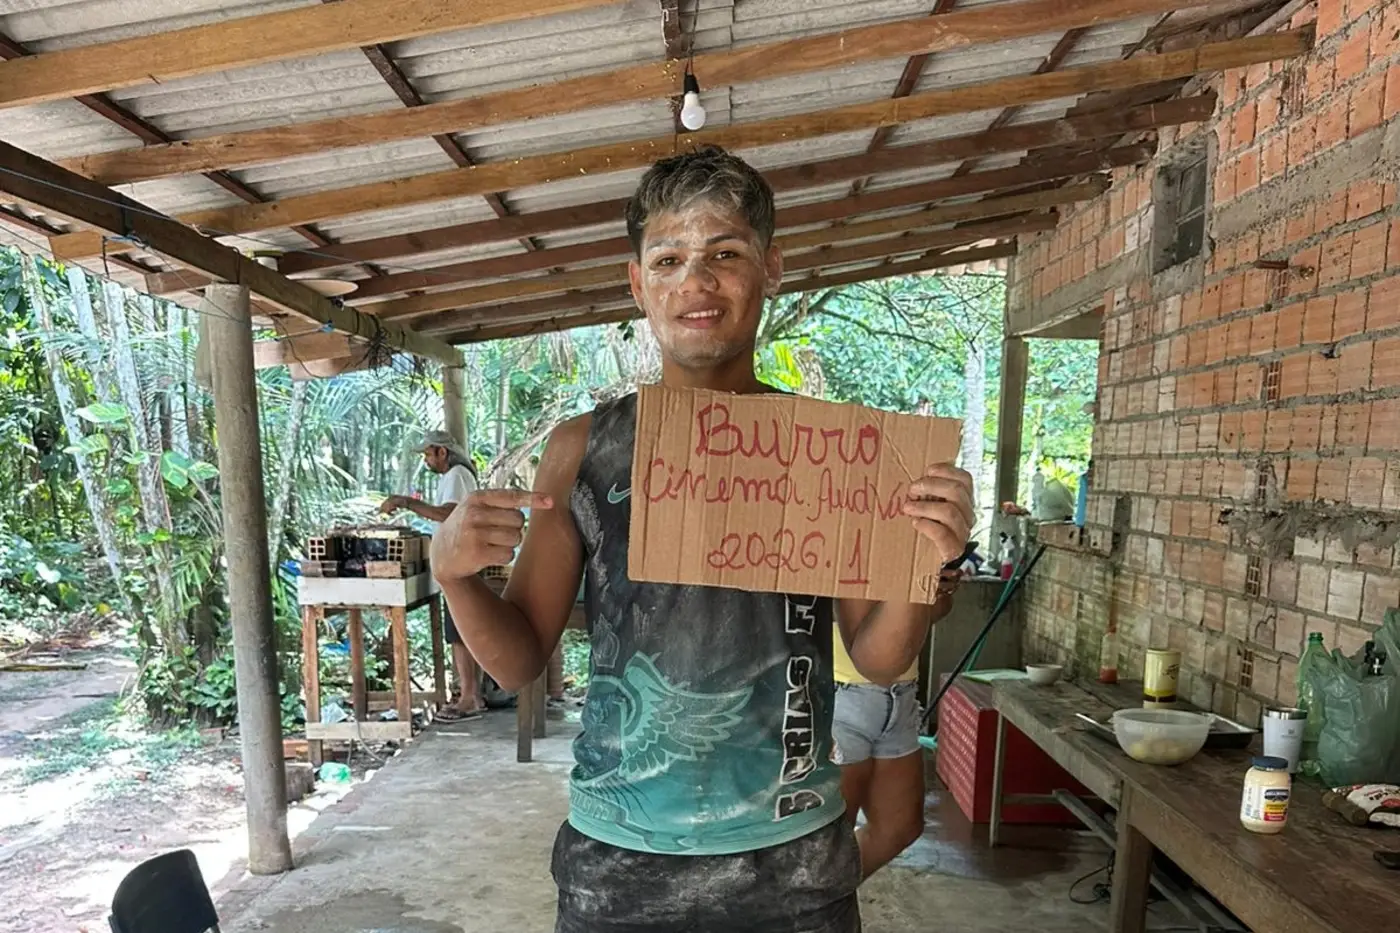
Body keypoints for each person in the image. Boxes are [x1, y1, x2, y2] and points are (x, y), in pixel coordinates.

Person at [430, 145, 975, 933]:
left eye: (725, 253)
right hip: (619, 864)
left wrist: (927, 557)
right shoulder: (585, 447)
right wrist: (454, 576)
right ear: (636, 282)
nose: (696, 281)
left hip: (792, 864)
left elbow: (880, 655)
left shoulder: (835, 451)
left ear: (771, 267)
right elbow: (518, 660)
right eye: (670, 258)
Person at [831, 568, 961, 879]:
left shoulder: (918, 531)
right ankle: (812, 908)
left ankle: (819, 902)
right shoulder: (855, 525)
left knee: (899, 827)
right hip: (840, 691)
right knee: (827, 844)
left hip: (899, 695)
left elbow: (929, 615)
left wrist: (938, 587)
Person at [379, 430, 484, 721]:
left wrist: (405, 502)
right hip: (457, 560)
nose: (426, 459)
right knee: (461, 630)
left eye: (428, 453)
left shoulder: (457, 475)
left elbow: (447, 513)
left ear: (442, 452)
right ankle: (470, 693)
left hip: (460, 562)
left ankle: (470, 697)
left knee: (460, 633)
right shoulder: (455, 477)